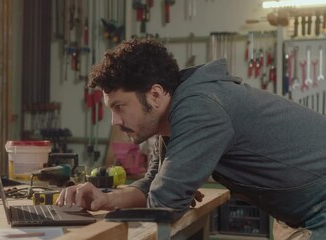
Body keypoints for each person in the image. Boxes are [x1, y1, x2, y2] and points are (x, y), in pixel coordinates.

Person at [56, 38, 326, 239]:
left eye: (119, 107)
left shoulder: (199, 107)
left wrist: (172, 192)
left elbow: (164, 204)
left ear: (155, 94)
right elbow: (154, 185)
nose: (115, 121)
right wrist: (106, 199)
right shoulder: (180, 110)